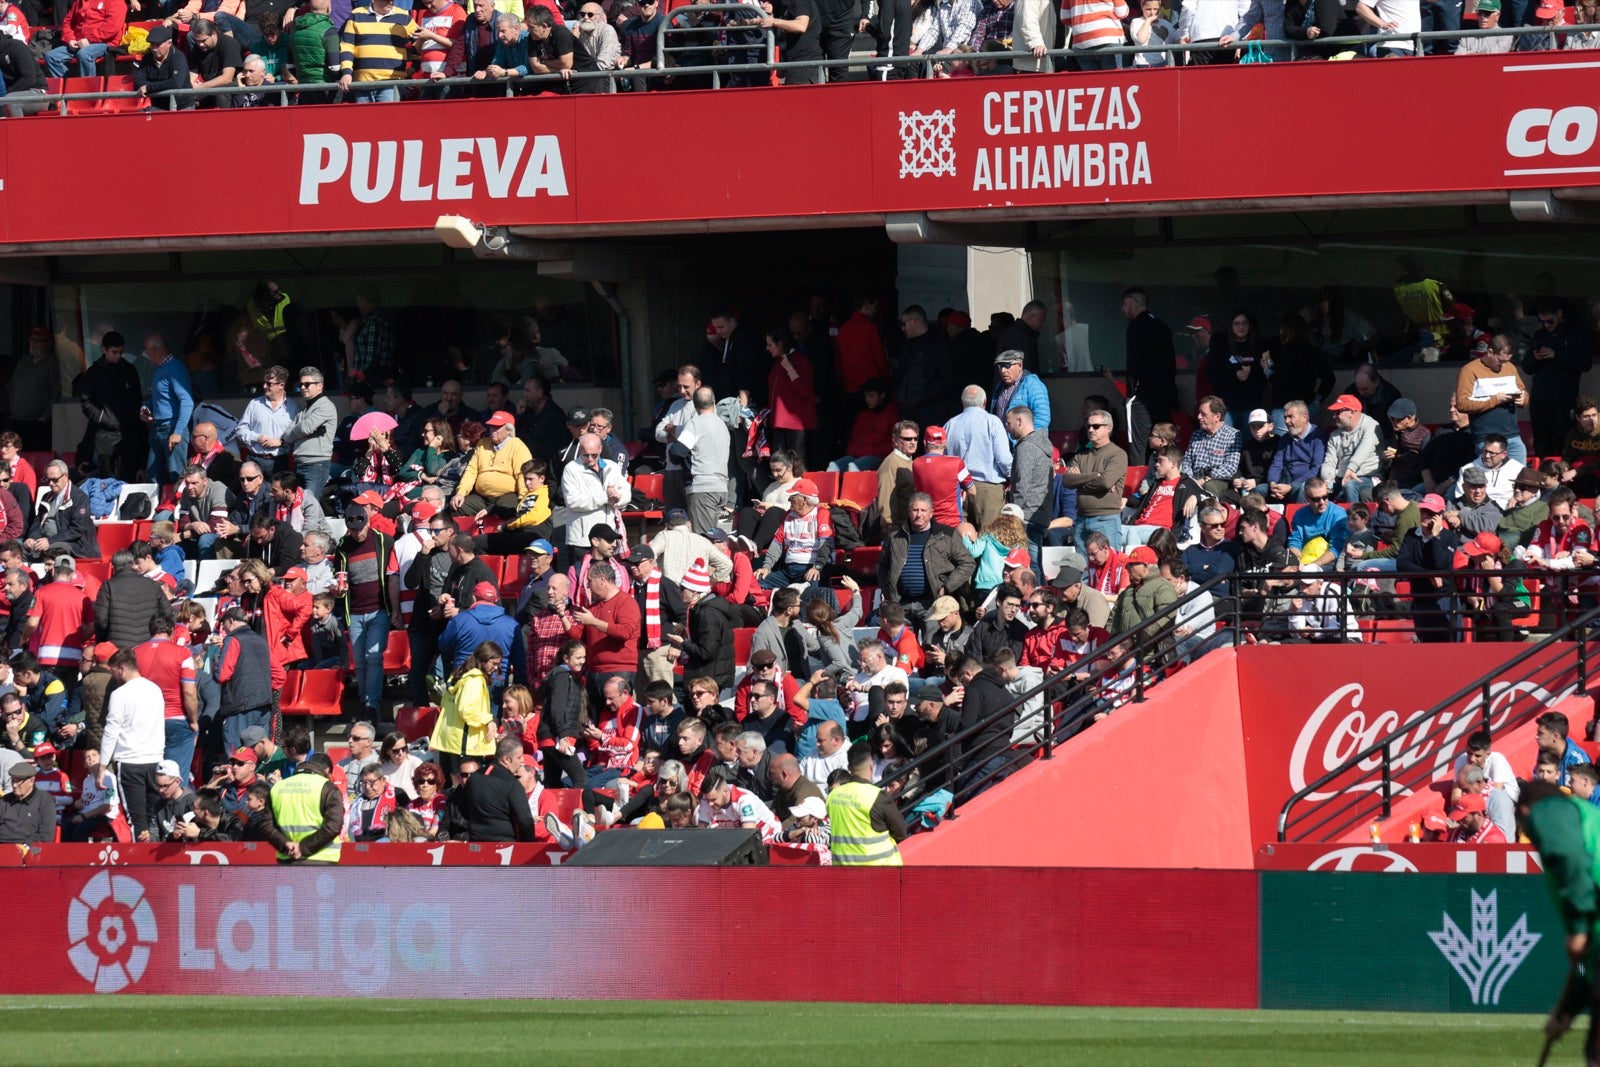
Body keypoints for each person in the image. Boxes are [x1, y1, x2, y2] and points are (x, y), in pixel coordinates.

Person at [1517, 779, 1600, 1062]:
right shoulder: (1581, 819)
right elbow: (1587, 966)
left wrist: (1578, 926)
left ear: (1525, 812)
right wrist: (1567, 1012)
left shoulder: (1551, 810)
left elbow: (1567, 853)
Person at [98, 649, 166, 841]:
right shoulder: (155, 689)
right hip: (154, 759)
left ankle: (140, 864)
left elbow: (111, 731)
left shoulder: (120, 694)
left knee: (137, 818)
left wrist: (102, 766)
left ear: (122, 668)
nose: (114, 676)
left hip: (129, 762)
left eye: (113, 672)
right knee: (154, 814)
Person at [1526, 300, 1595, 457]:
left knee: (1564, 441)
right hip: (1540, 399)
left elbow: (1585, 364)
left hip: (1564, 400)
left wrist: (1556, 355)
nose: (1546, 325)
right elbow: (1527, 368)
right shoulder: (1539, 335)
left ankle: (1564, 476)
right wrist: (1535, 357)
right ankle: (1543, 474)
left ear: (1559, 315)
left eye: (1550, 321)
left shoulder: (1575, 334)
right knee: (1541, 442)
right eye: (1542, 321)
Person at [1119, 288, 1178, 463]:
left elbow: (1133, 362)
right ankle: (1167, 478)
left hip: (1143, 395)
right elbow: (1171, 363)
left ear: (1134, 304)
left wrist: (1131, 393)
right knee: (1164, 439)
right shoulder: (1162, 326)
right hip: (1164, 395)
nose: (1122, 310)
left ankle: (1137, 484)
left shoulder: (1137, 326)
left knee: (1138, 443)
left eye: (1124, 305)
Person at [1060, 408, 1127, 552]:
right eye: (1088, 426)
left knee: (1108, 566)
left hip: (1106, 519)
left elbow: (1105, 482)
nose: (1090, 429)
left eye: (1096, 426)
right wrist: (1094, 476)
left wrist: (1080, 481)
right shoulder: (1080, 456)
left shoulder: (1118, 454)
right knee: (1083, 568)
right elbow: (1066, 481)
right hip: (1081, 519)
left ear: (1108, 428)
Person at [431, 640, 500, 781]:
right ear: (484, 659)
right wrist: (488, 721)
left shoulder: (460, 676)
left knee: (454, 783)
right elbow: (467, 710)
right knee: (466, 785)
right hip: (464, 742)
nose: (496, 668)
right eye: (494, 663)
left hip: (452, 739)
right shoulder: (474, 679)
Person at [261, 752, 343, 862]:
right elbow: (333, 826)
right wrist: (302, 848)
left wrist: (285, 843)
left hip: (287, 857)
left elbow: (266, 825)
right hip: (322, 858)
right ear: (327, 771)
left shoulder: (278, 787)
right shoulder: (327, 787)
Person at [1320, 394, 1382, 504]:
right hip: (1342, 477)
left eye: (1338, 412)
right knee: (1316, 489)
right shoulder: (1335, 435)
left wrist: (1350, 469)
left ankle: (1354, 518)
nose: (1334, 416)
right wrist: (1327, 479)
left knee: (1350, 485)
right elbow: (1329, 461)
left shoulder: (1370, 425)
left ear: (1352, 412)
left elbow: (1364, 449)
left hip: (1367, 476)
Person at [0, 761, 55, 844]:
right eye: (12, 781)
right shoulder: (4, 801)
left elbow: (46, 835)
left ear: (32, 780)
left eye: (18, 781)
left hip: (29, 850)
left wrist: (25, 847)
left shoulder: (45, 801)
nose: (14, 785)